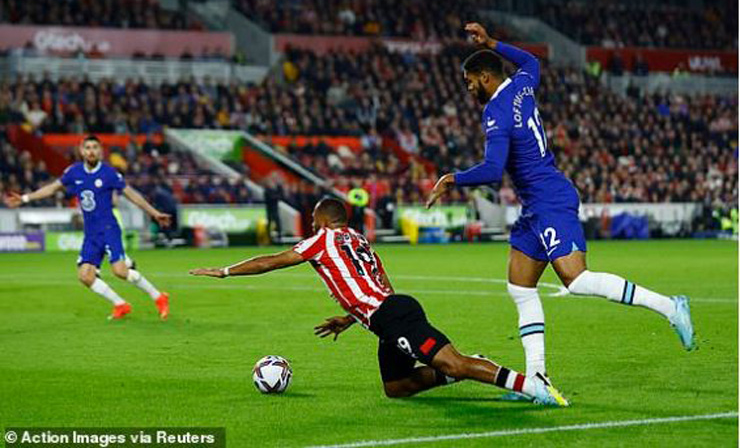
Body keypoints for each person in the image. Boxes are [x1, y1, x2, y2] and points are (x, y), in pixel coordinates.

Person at [426, 23, 695, 400]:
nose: (468, 88)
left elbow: (491, 171)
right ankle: (538, 380)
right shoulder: (522, 86)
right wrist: (492, 43)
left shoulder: (496, 114)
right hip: (536, 204)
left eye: (470, 81)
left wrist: (451, 178)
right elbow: (531, 60)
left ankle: (670, 307)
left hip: (549, 199)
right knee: (520, 287)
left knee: (576, 280)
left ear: (485, 77)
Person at [190, 198, 568, 406]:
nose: (310, 227)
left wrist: (225, 271)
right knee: (397, 387)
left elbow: (271, 262)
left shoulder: (321, 240)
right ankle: (452, 373)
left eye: (314, 220)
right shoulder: (359, 241)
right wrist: (350, 318)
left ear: (324, 221)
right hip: (388, 317)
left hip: (393, 317)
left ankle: (533, 387)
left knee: (455, 359)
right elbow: (379, 287)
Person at [4, 135, 171, 320]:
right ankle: (120, 304)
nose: (91, 151)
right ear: (81, 151)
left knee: (120, 271)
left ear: (100, 151)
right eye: (88, 147)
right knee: (85, 276)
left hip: (109, 229)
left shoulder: (108, 173)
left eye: (95, 147)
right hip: (91, 234)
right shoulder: (74, 172)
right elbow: (52, 188)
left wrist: (154, 213)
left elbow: (132, 195)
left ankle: (159, 296)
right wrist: (25, 198)